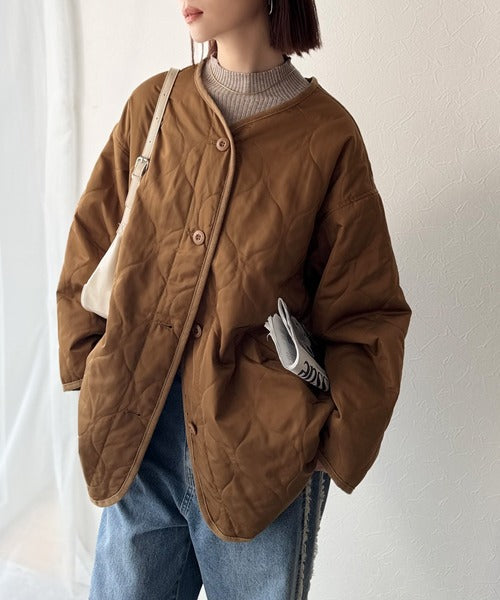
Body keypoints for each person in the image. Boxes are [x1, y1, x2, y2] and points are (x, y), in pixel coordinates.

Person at [56, 1, 412, 598]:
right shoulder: (155, 106)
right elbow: (92, 243)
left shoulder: (328, 136)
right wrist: (90, 367)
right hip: (139, 438)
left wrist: (330, 445)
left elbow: (365, 309)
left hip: (262, 460)